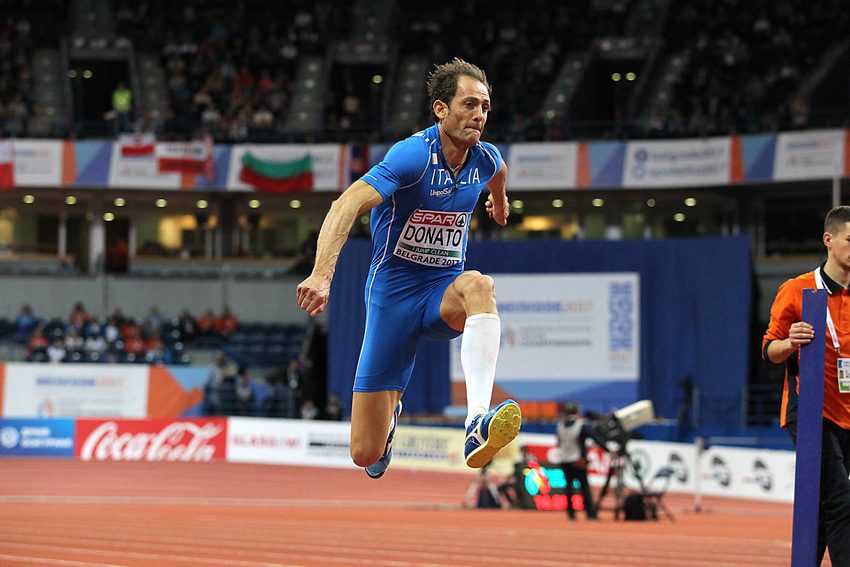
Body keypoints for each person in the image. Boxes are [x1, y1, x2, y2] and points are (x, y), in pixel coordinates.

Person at [296, 58, 521, 479]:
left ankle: (476, 423)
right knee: (365, 454)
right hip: (393, 300)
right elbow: (345, 204)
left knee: (479, 285)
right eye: (469, 104)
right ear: (441, 109)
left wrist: (500, 200)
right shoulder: (413, 156)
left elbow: (499, 172)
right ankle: (389, 418)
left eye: (486, 108)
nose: (479, 115)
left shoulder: (486, 158)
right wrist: (322, 275)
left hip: (441, 292)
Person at [762, 205, 850, 567]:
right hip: (812, 410)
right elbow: (770, 349)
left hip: (848, 412)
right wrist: (791, 342)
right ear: (829, 241)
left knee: (821, 505)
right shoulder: (797, 289)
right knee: (842, 499)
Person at [556, 401, 608, 520]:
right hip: (577, 459)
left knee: (568, 487)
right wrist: (607, 448)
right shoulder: (581, 425)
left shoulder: (560, 425)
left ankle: (571, 513)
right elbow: (595, 437)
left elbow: (559, 442)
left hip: (564, 459)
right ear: (576, 411)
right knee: (584, 486)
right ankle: (590, 513)